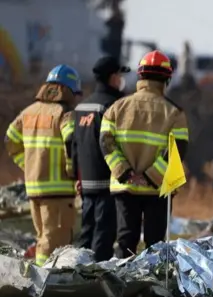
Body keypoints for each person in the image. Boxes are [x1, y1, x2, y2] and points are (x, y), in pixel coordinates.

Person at [99, 50, 189, 258]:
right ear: (166, 79)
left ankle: (123, 287)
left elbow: (106, 143)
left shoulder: (116, 108)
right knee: (155, 247)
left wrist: (126, 173)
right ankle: (152, 288)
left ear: (140, 76)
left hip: (124, 187)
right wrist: (150, 176)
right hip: (158, 189)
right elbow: (178, 150)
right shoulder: (174, 112)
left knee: (125, 243)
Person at [4, 65, 82, 266]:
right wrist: (72, 172)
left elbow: (10, 140)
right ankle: (44, 285)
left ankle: (40, 281)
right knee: (54, 242)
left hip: (34, 190)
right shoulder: (65, 114)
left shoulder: (28, 113)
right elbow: (71, 142)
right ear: (69, 90)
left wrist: (29, 166)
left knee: (43, 238)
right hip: (58, 192)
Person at [71, 56, 130, 261]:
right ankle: (95, 283)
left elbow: (74, 145)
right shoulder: (114, 106)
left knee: (86, 235)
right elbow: (118, 144)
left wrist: (76, 177)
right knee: (103, 238)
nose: (121, 80)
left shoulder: (81, 108)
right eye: (120, 75)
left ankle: (77, 274)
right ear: (113, 77)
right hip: (108, 183)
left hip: (86, 183)